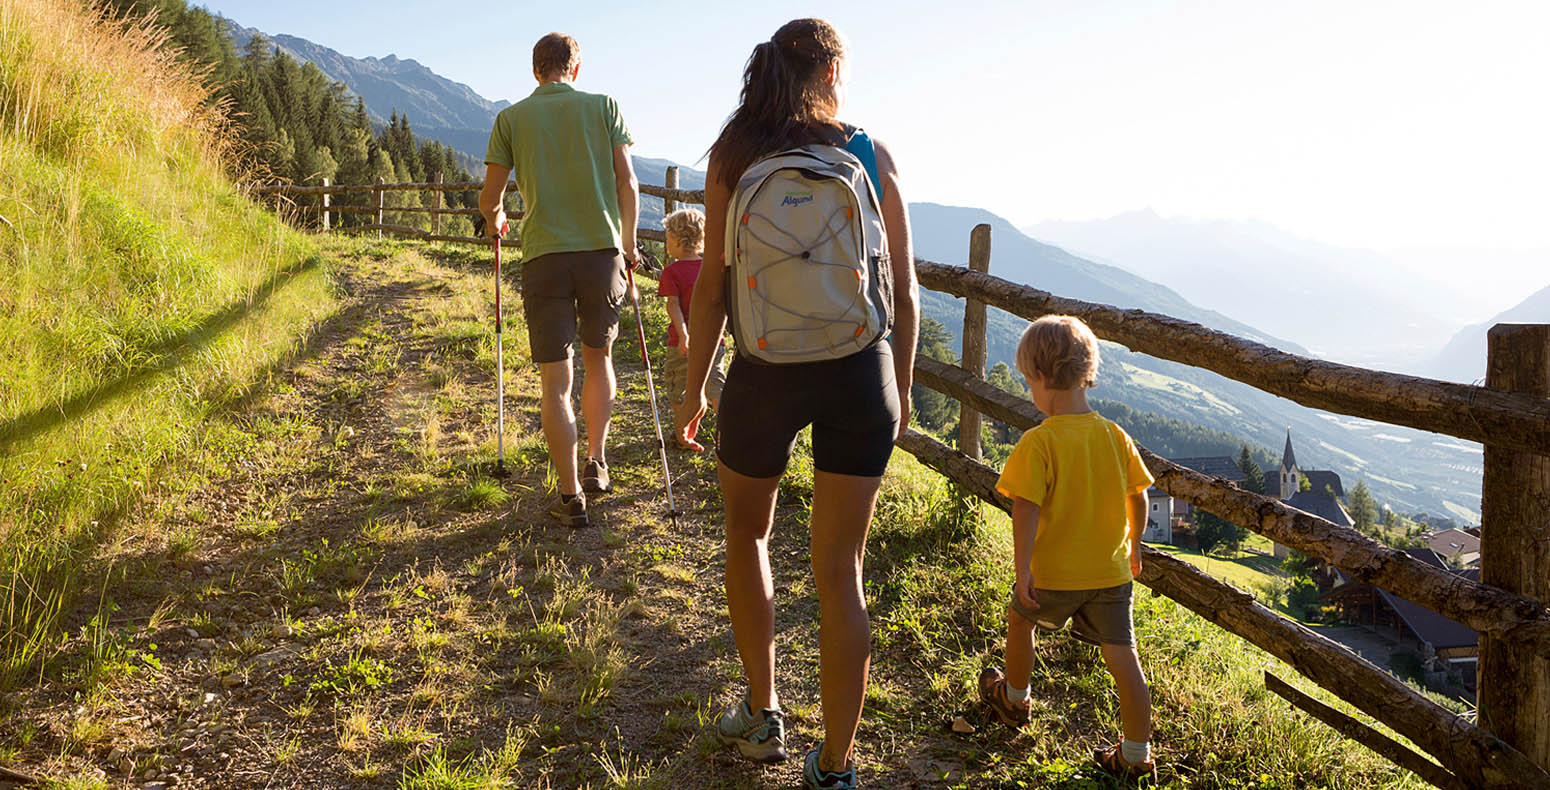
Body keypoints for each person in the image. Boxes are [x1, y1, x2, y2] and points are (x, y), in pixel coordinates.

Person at [672, 18, 918, 790]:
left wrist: (694, 392)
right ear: (832, 70)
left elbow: (712, 285)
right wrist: (899, 388)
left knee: (748, 534)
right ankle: (836, 766)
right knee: (841, 569)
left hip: (764, 370)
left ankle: (762, 710)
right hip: (858, 368)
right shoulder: (868, 154)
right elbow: (904, 291)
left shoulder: (734, 152)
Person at [980, 315, 1157, 781]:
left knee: (1021, 621)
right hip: (1112, 573)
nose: (1029, 390)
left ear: (1040, 377)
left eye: (1026, 381)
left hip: (1055, 574)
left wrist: (1023, 570)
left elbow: (1026, 510)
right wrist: (1135, 548)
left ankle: (1014, 700)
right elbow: (1139, 495)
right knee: (1124, 658)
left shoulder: (1039, 442)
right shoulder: (1115, 436)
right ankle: (1136, 755)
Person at [480, 32, 639, 528]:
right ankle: (597, 460)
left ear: (535, 71)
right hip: (602, 252)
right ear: (576, 69)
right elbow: (628, 182)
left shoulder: (511, 118)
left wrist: (498, 220)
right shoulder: (604, 106)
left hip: (545, 255)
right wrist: (630, 245)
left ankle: (570, 496)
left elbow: (491, 198)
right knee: (599, 357)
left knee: (556, 380)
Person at [657, 208, 726, 428]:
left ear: (677, 241)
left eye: (668, 238)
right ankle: (727, 430)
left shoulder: (671, 272)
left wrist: (683, 334)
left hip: (680, 342)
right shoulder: (710, 269)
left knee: (679, 389)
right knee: (715, 384)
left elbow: (673, 305)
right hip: (714, 340)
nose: (666, 244)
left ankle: (685, 430)